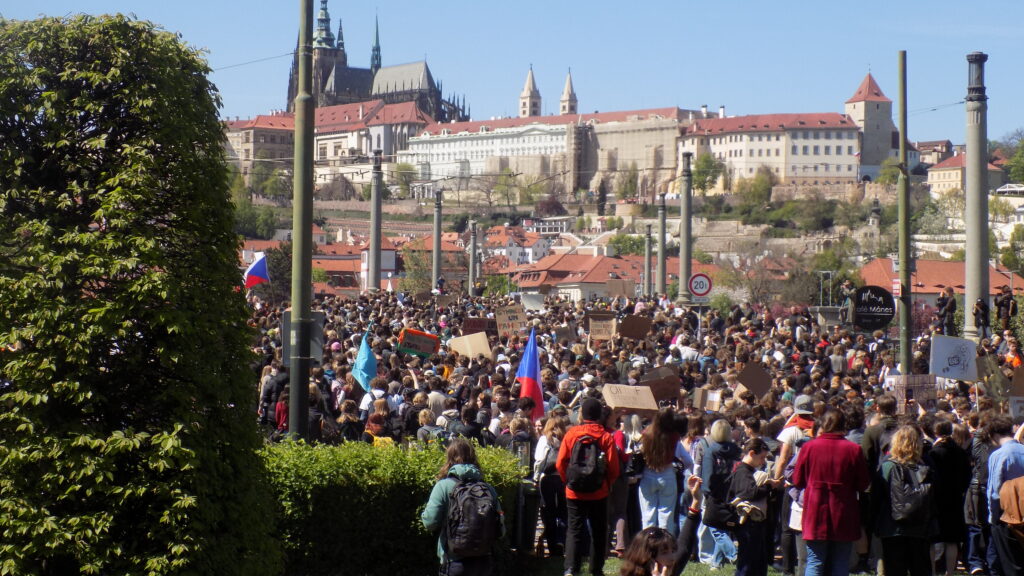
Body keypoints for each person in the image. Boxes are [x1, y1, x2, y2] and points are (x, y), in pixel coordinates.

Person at [792, 409, 870, 576]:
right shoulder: (853, 449)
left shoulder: (809, 447)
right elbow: (863, 484)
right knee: (840, 561)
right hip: (843, 511)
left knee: (815, 561)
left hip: (815, 510)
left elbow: (797, 480)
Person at [557, 397, 620, 576]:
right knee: (599, 531)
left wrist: (568, 481)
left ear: (582, 414)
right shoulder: (605, 437)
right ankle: (596, 569)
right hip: (599, 491)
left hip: (574, 491)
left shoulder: (571, 434)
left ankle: (571, 568)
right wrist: (606, 483)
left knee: (574, 530)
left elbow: (560, 463)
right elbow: (614, 468)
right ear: (599, 415)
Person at [421, 439, 504, 576]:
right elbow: (501, 528)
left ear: (449, 458)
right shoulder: (487, 488)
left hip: (453, 560)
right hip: (483, 561)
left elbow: (430, 522)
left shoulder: (443, 486)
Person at [873, 425, 935, 576]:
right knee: (920, 569)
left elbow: (877, 498)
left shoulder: (887, 467)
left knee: (895, 570)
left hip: (892, 527)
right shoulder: (926, 468)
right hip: (920, 526)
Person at [728, 437, 778, 576]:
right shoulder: (743, 471)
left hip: (753, 523)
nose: (763, 461)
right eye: (761, 457)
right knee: (748, 564)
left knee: (758, 562)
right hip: (748, 523)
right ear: (751, 453)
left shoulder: (747, 470)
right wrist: (768, 486)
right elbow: (749, 493)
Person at [928, 419, 971, 576]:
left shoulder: (933, 453)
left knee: (933, 540)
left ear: (936, 432)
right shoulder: (960, 452)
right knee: (952, 540)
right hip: (955, 499)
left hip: (936, 500)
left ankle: (933, 571)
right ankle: (950, 572)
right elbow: (967, 476)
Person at [984, 412, 1024, 574]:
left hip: (1007, 515)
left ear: (993, 434)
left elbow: (994, 491)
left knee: (1009, 565)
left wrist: (993, 517)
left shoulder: (998, 455)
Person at [639, 409, 681, 535]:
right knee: (667, 515)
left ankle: (647, 542)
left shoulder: (647, 433)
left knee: (648, 514)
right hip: (667, 473)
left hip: (648, 472)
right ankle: (666, 542)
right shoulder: (674, 435)